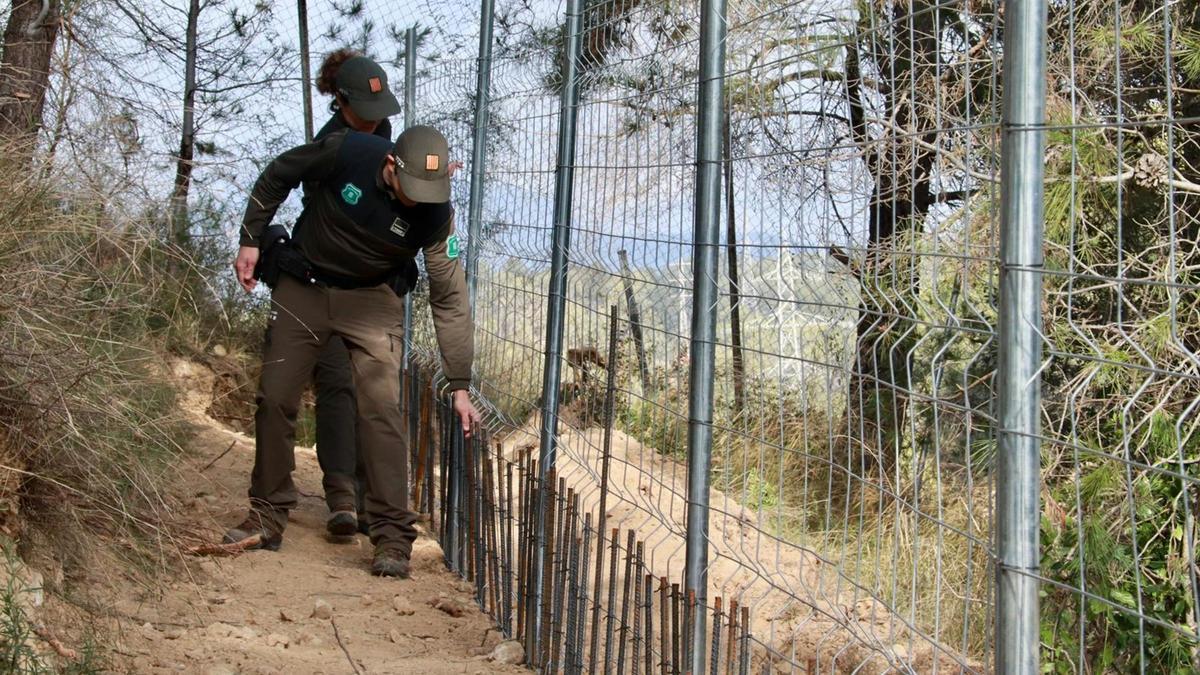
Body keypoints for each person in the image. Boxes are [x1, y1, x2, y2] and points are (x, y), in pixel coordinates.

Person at [225, 119, 481, 578]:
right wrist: (250, 238)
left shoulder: (437, 212)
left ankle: (392, 538)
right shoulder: (346, 152)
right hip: (305, 285)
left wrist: (459, 383)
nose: (418, 199)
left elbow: (449, 295)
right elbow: (279, 173)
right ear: (389, 164)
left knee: (381, 410)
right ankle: (266, 515)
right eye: (411, 187)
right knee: (276, 396)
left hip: (372, 299)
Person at [302, 50, 400, 539]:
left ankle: (370, 497)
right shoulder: (328, 146)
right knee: (337, 380)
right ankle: (341, 491)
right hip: (327, 283)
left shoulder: (392, 147)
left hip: (377, 288)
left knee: (373, 393)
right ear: (344, 101)